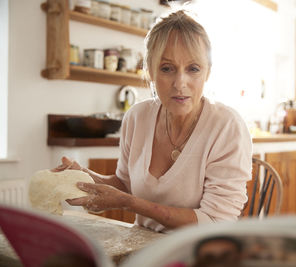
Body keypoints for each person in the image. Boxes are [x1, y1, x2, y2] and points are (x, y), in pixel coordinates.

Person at [53, 9, 252, 233]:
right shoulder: (137, 118)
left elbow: (215, 222)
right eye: (167, 68)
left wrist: (129, 203)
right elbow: (125, 185)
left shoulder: (226, 126)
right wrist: (84, 177)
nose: (180, 83)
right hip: (144, 248)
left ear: (207, 72)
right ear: (150, 71)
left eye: (193, 69)